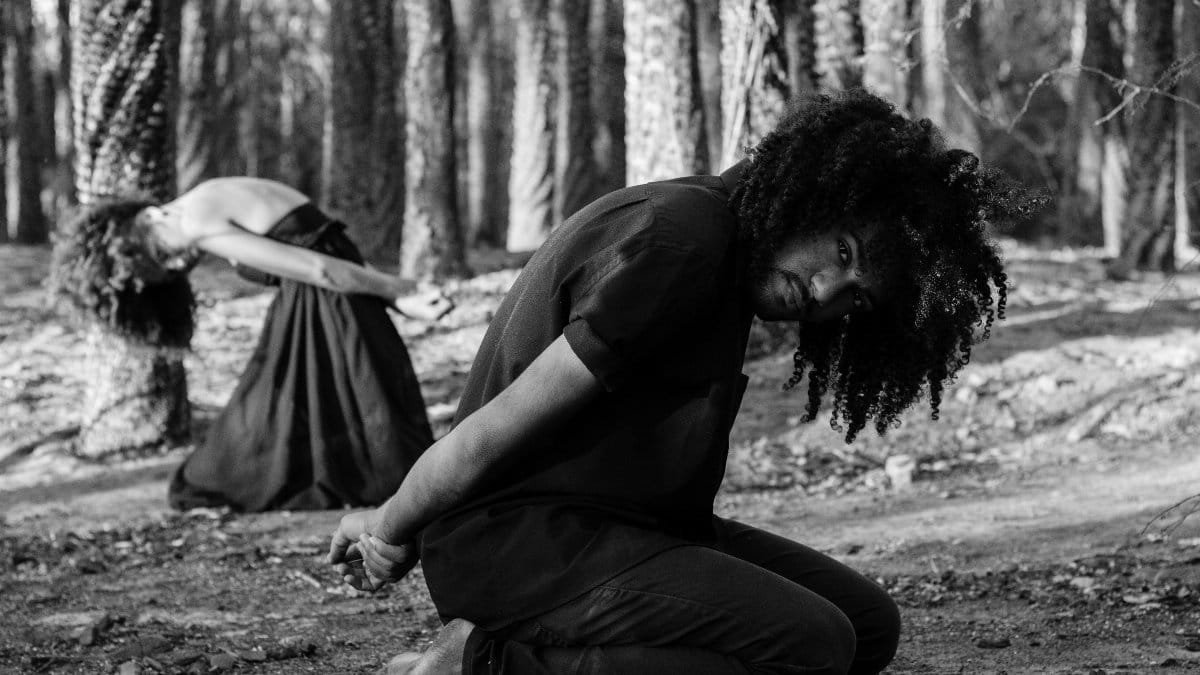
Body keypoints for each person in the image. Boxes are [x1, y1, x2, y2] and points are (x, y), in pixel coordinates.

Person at [327, 89, 1038, 674]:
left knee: (864, 627)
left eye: (855, 297)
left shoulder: (718, 245)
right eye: (841, 251)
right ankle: (479, 663)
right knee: (815, 643)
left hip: (619, 532)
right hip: (527, 544)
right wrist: (392, 526)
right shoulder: (682, 249)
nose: (825, 291)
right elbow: (489, 430)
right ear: (812, 197)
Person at [52, 177, 451, 512]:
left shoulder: (195, 221)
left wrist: (402, 293)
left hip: (325, 296)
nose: (176, 265)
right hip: (320, 299)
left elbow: (320, 268)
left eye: (158, 253)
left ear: (148, 218)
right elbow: (323, 255)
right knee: (346, 391)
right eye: (164, 268)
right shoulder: (204, 197)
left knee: (314, 398)